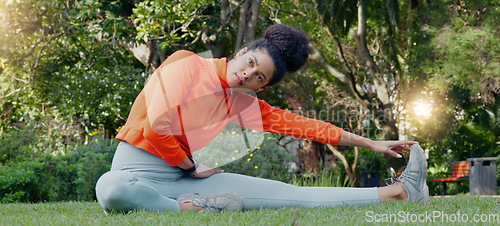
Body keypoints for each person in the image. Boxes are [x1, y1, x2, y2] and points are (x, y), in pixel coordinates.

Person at [95, 24, 428, 213]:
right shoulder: (186, 63)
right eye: (251, 63)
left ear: (261, 87)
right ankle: (186, 210)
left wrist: (370, 143)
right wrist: (188, 165)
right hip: (137, 173)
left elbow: (305, 126)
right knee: (110, 187)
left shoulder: (239, 105)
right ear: (242, 52)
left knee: (290, 194)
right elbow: (156, 126)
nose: (248, 74)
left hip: (189, 181)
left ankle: (398, 193)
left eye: (259, 78)